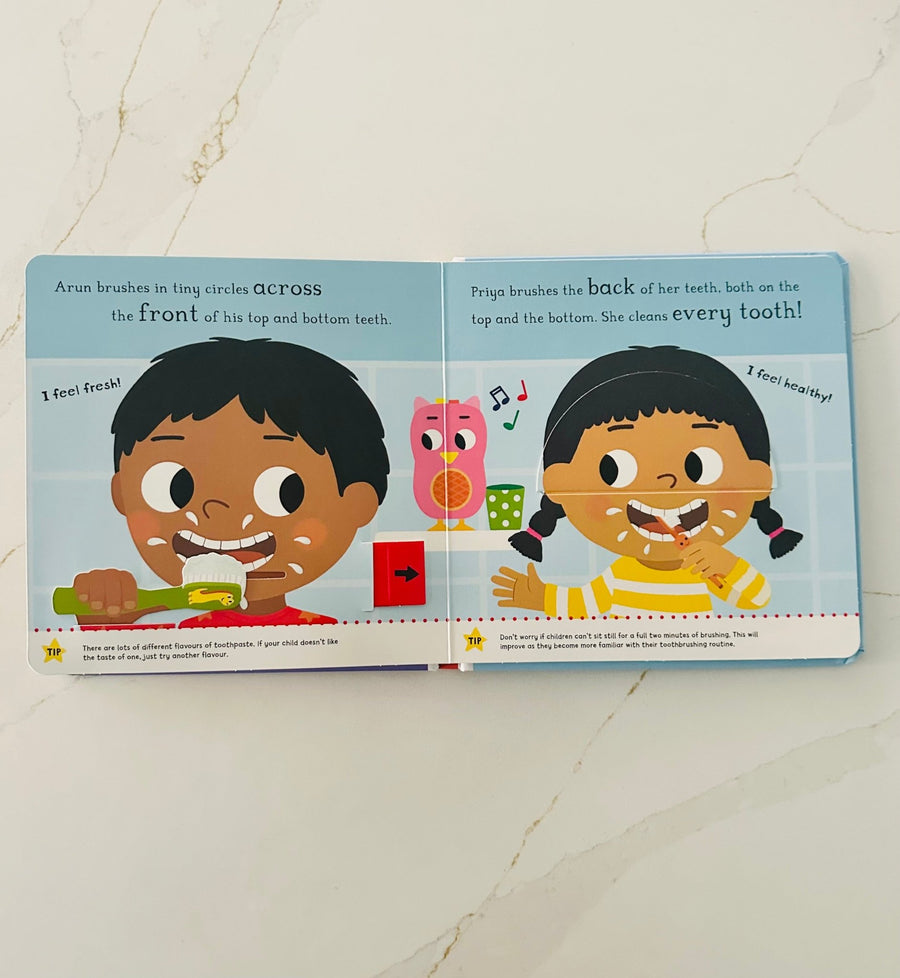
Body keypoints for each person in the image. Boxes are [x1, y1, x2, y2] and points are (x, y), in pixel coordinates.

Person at [70, 337, 389, 627]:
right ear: (122, 493)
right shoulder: (178, 639)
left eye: (283, 491)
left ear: (356, 504)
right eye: (173, 487)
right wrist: (105, 622)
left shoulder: (325, 634)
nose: (216, 508)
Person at [492, 346, 801, 617]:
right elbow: (584, 603)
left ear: (759, 477)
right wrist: (541, 598)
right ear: (559, 483)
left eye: (700, 466)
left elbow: (756, 599)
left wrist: (729, 565)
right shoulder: (620, 575)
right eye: (614, 469)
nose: (666, 482)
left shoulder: (702, 571)